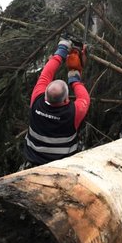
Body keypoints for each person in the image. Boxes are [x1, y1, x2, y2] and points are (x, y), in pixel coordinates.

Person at [23, 37, 91, 166]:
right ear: (66, 99)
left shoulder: (37, 100)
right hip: (62, 164)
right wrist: (74, 78)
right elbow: (84, 98)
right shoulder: (74, 113)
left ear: (46, 95)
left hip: (32, 161)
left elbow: (45, 75)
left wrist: (61, 50)